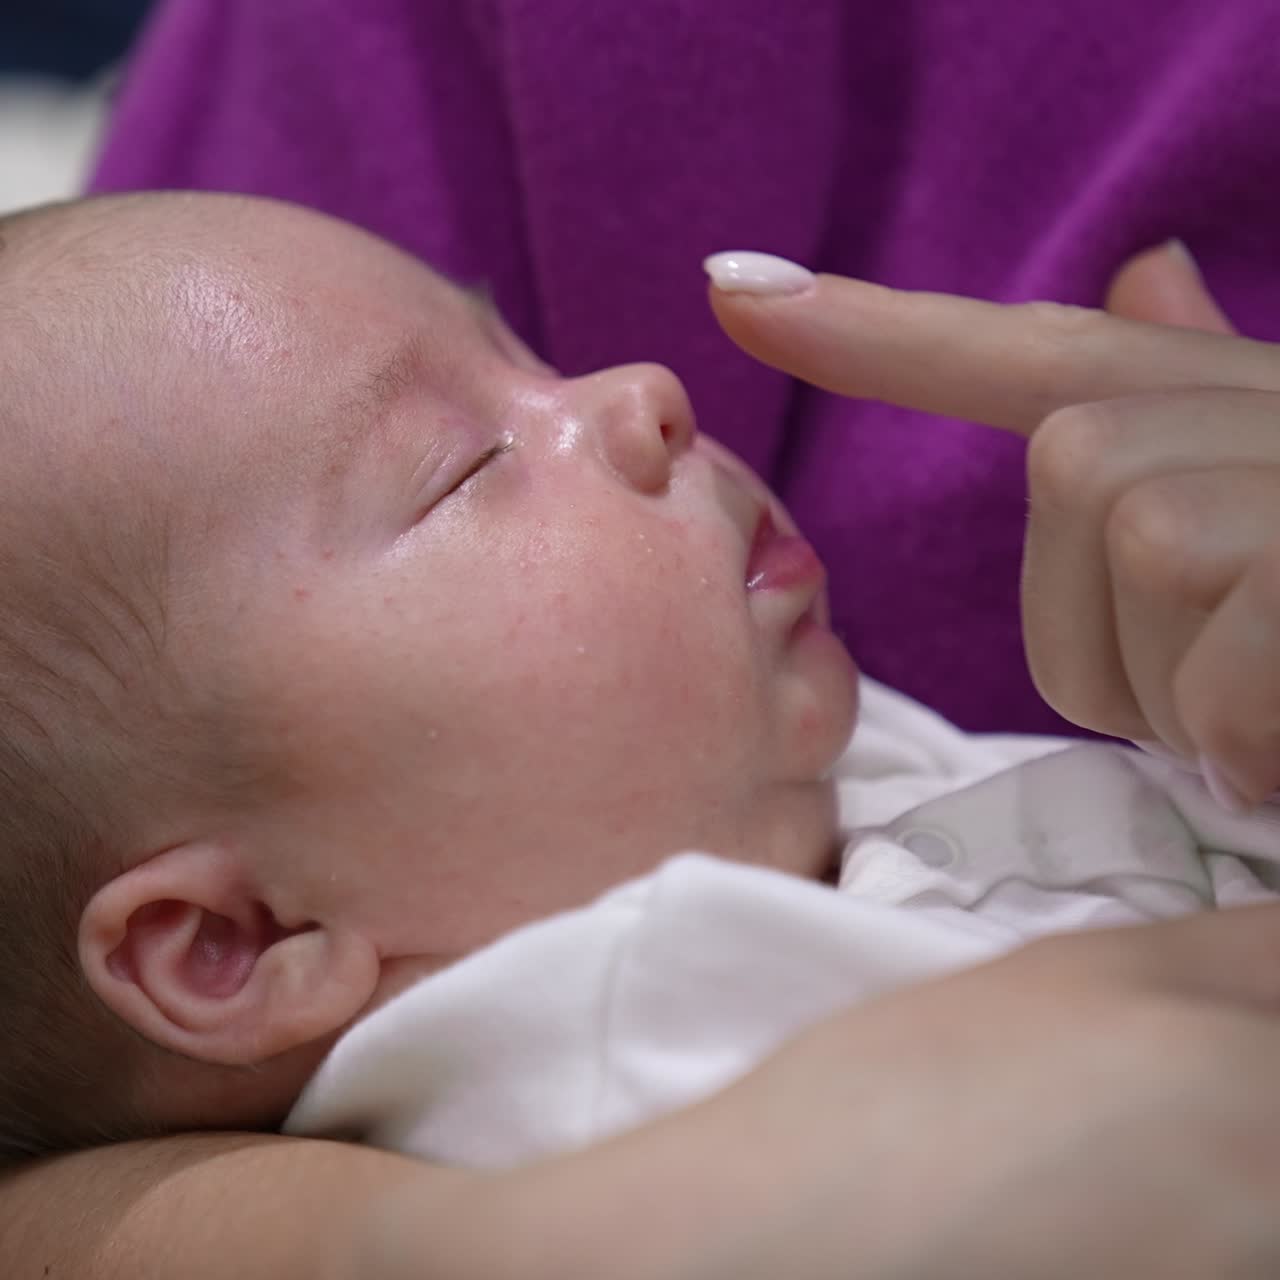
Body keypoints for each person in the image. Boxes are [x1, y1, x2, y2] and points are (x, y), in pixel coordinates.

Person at [6, 197, 1280, 1278]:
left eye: (532, 356)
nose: (643, 393)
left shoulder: (774, 791)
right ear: (246, 939)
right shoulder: (634, 1049)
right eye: (462, 467)